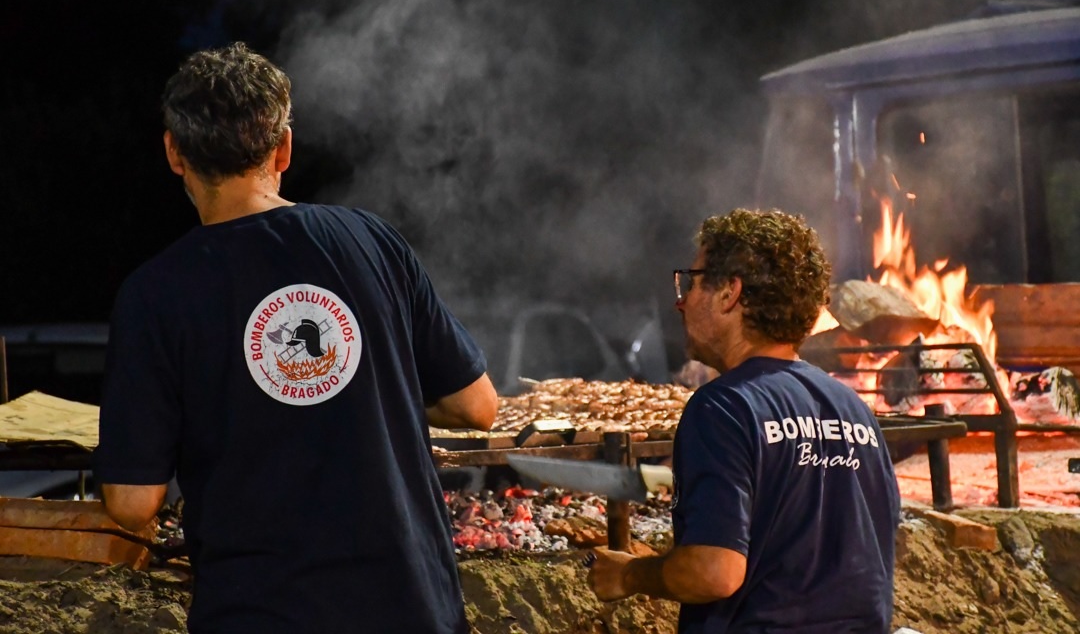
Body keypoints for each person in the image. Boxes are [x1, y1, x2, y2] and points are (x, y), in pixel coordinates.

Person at [92, 42, 499, 634]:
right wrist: (365, 390)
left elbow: (133, 503)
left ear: (174, 153)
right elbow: (477, 405)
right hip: (413, 607)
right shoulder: (372, 241)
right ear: (283, 147)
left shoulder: (154, 294)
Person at [588, 208, 901, 633]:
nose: (681, 302)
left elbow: (714, 571)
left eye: (692, 282)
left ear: (729, 293)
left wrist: (629, 575)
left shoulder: (723, 407)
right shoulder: (853, 409)